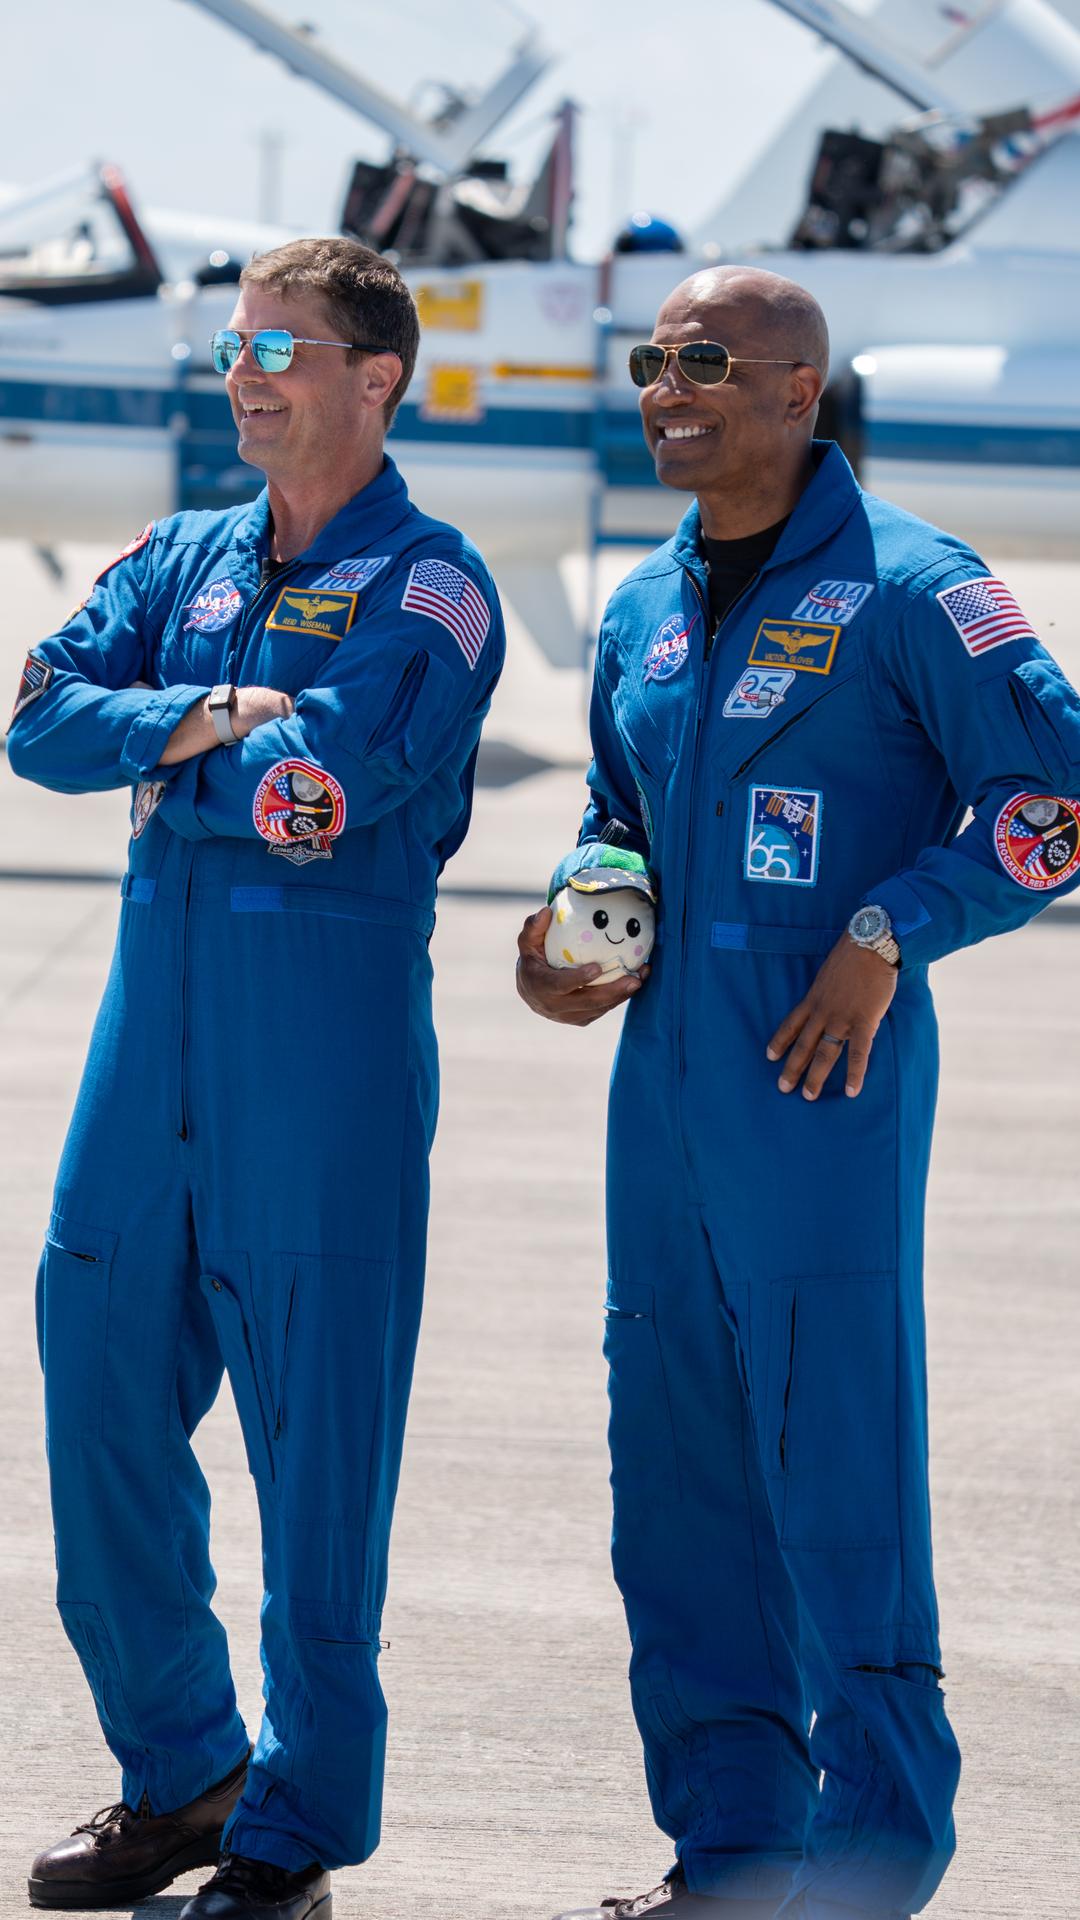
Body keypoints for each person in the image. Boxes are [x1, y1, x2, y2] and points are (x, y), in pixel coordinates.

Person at [517, 264, 1080, 1920]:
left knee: (836, 1474)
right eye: (650, 362)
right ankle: (737, 1857)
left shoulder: (919, 586)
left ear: (794, 391)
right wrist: (580, 922)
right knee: (678, 1476)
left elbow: (1053, 801)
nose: (665, 388)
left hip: (821, 1091)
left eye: (704, 362)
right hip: (665, 1099)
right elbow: (617, 810)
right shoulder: (643, 608)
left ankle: (871, 1863)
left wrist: (895, 931)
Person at [8, 236, 504, 1920]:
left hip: (325, 1081)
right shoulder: (188, 556)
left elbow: (326, 790)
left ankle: (294, 1830)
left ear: (378, 378)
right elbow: (35, 717)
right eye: (235, 347)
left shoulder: (434, 590)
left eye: (281, 347)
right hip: (147, 1066)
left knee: (318, 1463)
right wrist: (214, 708)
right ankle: (184, 1769)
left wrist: (170, 744)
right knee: (92, 1400)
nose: (247, 373)